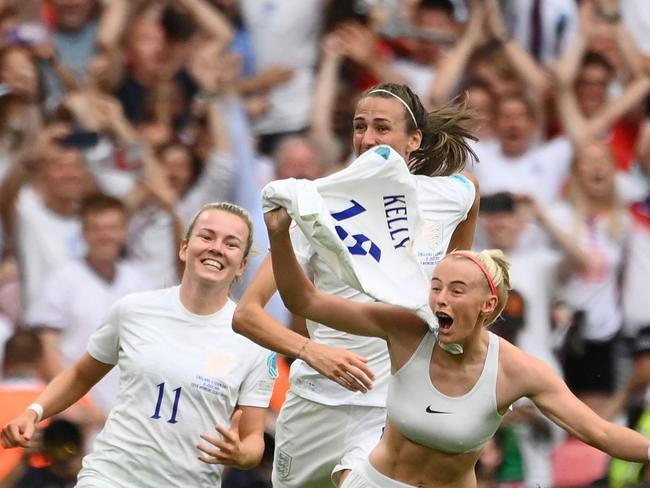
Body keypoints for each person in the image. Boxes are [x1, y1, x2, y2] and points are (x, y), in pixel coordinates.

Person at [264, 206, 650, 488]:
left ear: (488, 305)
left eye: (457, 290)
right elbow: (306, 302)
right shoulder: (407, 331)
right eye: (436, 288)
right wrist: (280, 236)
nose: (440, 299)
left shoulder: (517, 371)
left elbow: (601, 433)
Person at [233, 81, 479, 487]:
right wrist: (312, 352)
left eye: (382, 128)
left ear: (413, 139)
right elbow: (247, 315)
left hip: (388, 407)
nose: (367, 139)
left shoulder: (451, 194)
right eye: (359, 126)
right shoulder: (317, 204)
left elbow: (469, 209)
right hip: (315, 403)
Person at [1, 202, 276, 487]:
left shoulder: (253, 339)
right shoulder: (133, 310)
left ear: (242, 265)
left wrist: (241, 454)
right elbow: (80, 375)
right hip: (110, 476)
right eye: (206, 236)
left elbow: (253, 438)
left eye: (231, 244)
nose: (216, 248)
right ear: (184, 248)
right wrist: (34, 412)